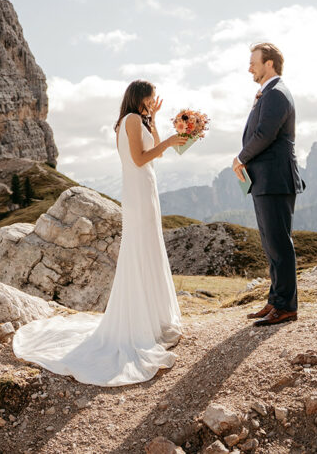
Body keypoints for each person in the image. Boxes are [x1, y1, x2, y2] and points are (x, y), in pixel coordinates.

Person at [11, 80, 187, 386]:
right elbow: (141, 158)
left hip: (146, 190)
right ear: (137, 98)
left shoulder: (137, 120)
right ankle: (140, 322)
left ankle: (152, 318)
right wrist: (171, 140)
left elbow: (153, 153)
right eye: (148, 100)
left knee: (149, 250)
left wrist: (156, 122)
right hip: (139, 192)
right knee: (140, 250)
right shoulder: (131, 120)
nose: (151, 103)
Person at [232, 43, 305, 327]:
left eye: (254, 62)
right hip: (265, 179)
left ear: (270, 64)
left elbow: (265, 134)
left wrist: (240, 158)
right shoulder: (269, 93)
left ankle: (287, 306)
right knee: (270, 243)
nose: (250, 67)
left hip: (275, 178)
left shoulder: (276, 94)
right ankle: (276, 301)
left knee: (279, 243)